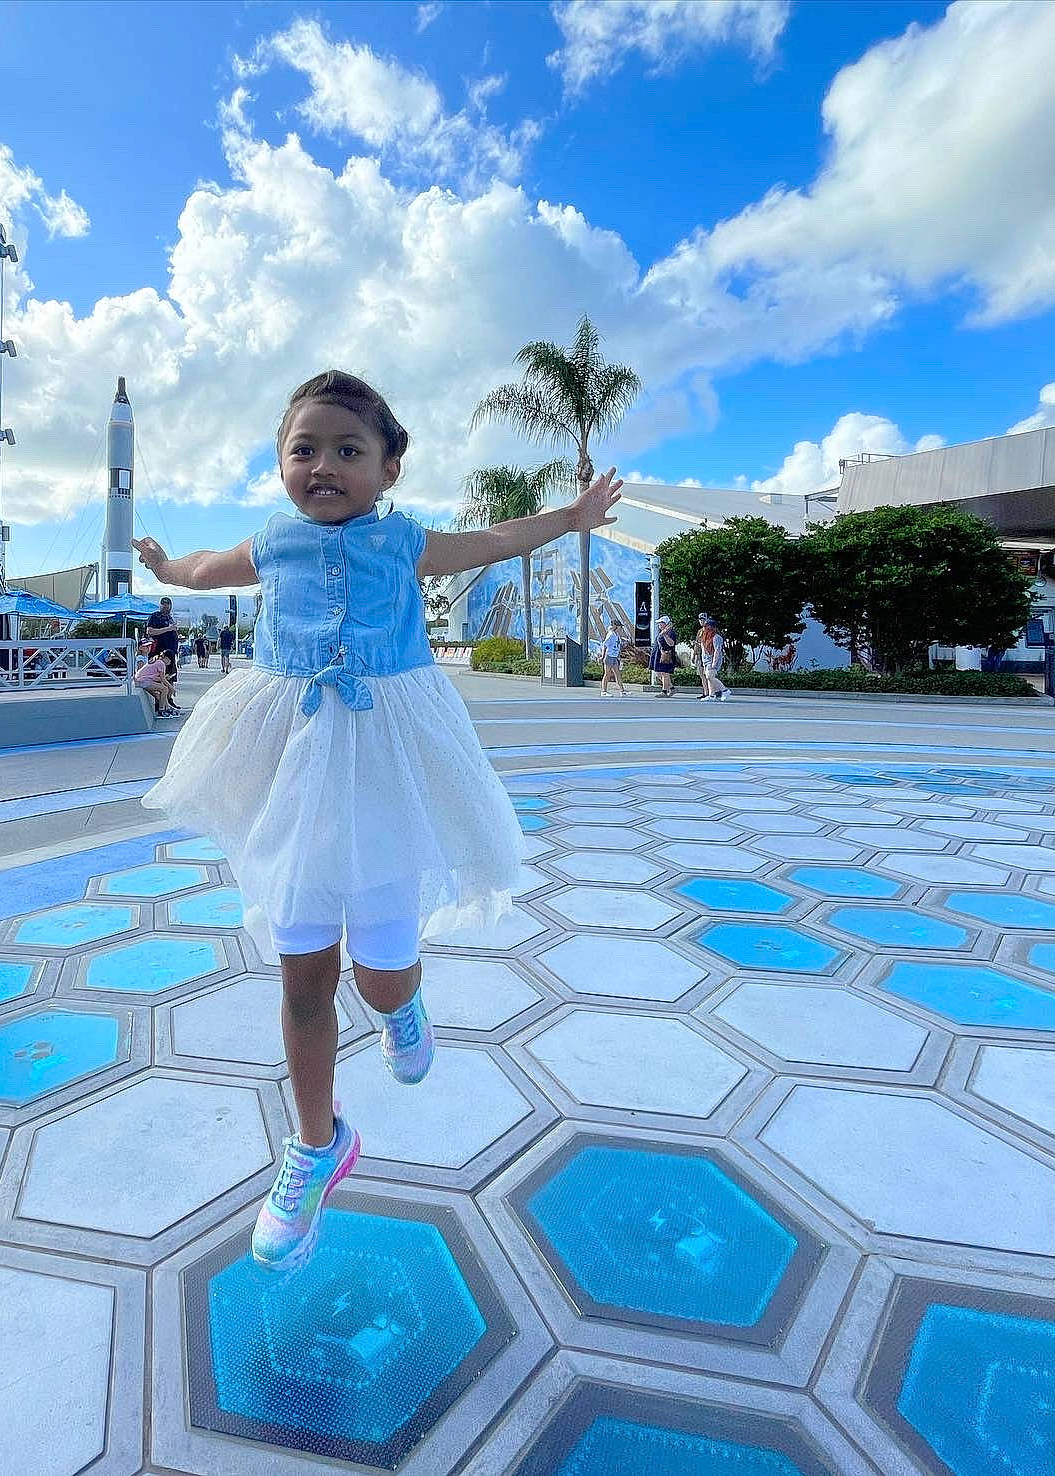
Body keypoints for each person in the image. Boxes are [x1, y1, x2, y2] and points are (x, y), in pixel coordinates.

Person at [133, 369, 623, 1273]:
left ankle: (403, 1010)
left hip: (387, 777)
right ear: (282, 463)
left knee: (380, 974)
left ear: (390, 468)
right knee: (303, 976)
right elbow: (207, 569)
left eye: (348, 451)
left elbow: (490, 539)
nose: (324, 466)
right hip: (297, 781)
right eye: (303, 449)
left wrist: (568, 518)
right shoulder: (275, 541)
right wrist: (166, 569)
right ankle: (318, 1146)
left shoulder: (403, 545)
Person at [136, 649, 182, 716]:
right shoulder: (161, 663)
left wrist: (165, 678)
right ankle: (161, 710)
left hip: (141, 680)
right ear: (166, 658)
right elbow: (163, 679)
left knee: (160, 693)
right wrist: (171, 688)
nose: (170, 663)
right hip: (143, 681)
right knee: (164, 689)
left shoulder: (157, 661)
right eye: (170, 661)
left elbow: (157, 678)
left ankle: (167, 708)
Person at [700, 616, 731, 701]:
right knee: (708, 677)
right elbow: (703, 649)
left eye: (707, 626)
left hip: (712, 659)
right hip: (706, 660)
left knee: (710, 676)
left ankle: (724, 690)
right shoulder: (704, 637)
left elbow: (717, 651)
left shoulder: (717, 637)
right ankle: (712, 695)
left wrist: (714, 663)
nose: (705, 628)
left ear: (712, 627)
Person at [144, 598, 180, 668]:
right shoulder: (155, 616)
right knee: (158, 676)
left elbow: (170, 632)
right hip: (159, 653)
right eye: (163, 604)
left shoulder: (169, 618)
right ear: (160, 606)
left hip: (170, 654)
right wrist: (168, 629)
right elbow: (150, 631)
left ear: (171, 606)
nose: (165, 606)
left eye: (167, 605)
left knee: (170, 676)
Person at [650, 614, 678, 696]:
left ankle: (664, 691)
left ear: (665, 623)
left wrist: (665, 635)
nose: (659, 624)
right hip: (659, 654)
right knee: (659, 673)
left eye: (660, 623)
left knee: (664, 673)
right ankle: (672, 688)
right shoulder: (663, 631)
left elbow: (671, 643)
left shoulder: (670, 632)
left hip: (666, 655)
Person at [598, 619, 625, 697]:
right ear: (615, 626)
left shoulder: (616, 634)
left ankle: (622, 691)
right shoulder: (610, 634)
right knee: (607, 674)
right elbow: (605, 645)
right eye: (619, 626)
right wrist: (602, 656)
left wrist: (619, 657)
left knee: (618, 673)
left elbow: (617, 646)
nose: (620, 628)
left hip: (614, 657)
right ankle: (603, 691)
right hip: (609, 656)